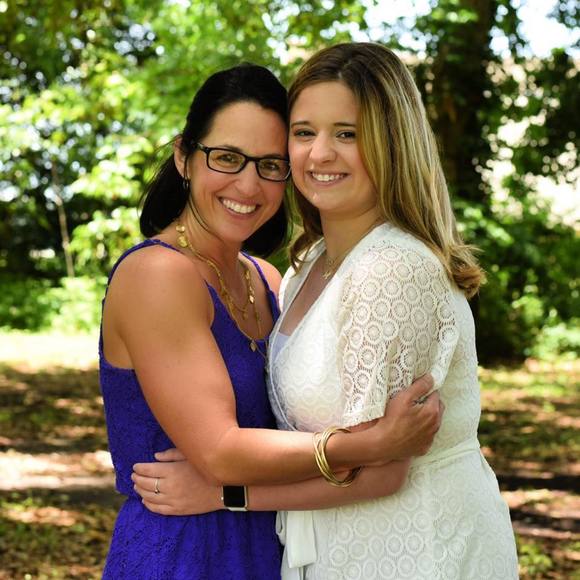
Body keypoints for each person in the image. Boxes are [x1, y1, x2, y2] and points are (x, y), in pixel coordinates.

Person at [132, 44, 519, 579]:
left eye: (347, 134)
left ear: (392, 143)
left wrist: (227, 494)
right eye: (304, 132)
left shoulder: (392, 268)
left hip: (416, 551)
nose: (319, 154)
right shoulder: (307, 265)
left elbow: (383, 472)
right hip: (337, 549)